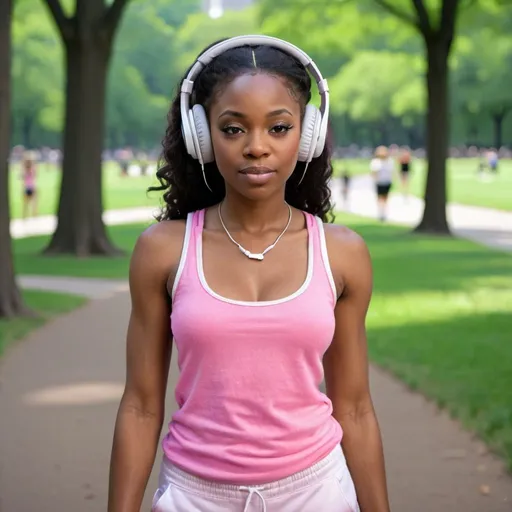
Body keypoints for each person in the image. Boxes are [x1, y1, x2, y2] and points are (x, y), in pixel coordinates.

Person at [108, 36, 390, 512]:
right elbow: (140, 405)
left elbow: (356, 409)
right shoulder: (162, 251)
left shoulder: (342, 254)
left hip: (316, 492)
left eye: (279, 128)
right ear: (202, 135)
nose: (257, 147)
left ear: (307, 135)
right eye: (233, 129)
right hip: (194, 495)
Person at [370, 146, 394, 221]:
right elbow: (374, 173)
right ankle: (381, 213)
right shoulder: (376, 162)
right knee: (380, 198)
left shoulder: (389, 161)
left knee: (385, 198)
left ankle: (384, 212)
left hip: (387, 182)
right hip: (380, 182)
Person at [21, 151, 38, 218]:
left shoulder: (26, 169)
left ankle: (25, 216)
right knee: (33, 204)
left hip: (28, 187)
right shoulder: (31, 169)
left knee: (27, 204)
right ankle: (33, 216)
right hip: (31, 187)